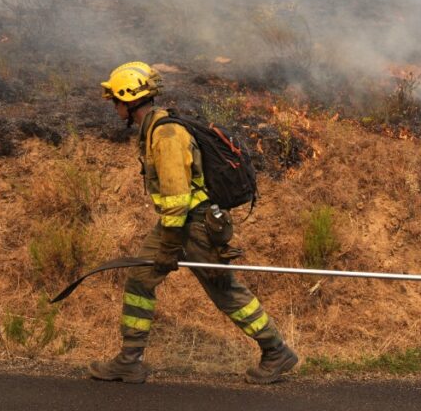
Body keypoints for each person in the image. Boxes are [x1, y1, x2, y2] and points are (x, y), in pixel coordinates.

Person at [89, 61, 298, 385]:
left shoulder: (167, 134)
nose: (113, 107)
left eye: (115, 100)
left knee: (224, 290)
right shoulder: (154, 129)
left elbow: (176, 194)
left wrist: (172, 243)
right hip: (177, 225)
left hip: (194, 225)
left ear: (130, 100)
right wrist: (170, 236)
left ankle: (276, 350)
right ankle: (129, 361)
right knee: (140, 279)